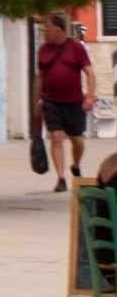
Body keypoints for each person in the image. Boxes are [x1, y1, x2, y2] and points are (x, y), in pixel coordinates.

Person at [36, 12, 97, 193]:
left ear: (58, 30)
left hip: (73, 102)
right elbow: (40, 77)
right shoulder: (44, 49)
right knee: (56, 138)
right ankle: (61, 178)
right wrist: (35, 102)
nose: (45, 33)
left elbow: (89, 73)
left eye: (47, 30)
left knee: (78, 141)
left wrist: (89, 97)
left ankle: (75, 165)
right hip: (51, 101)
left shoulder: (76, 48)